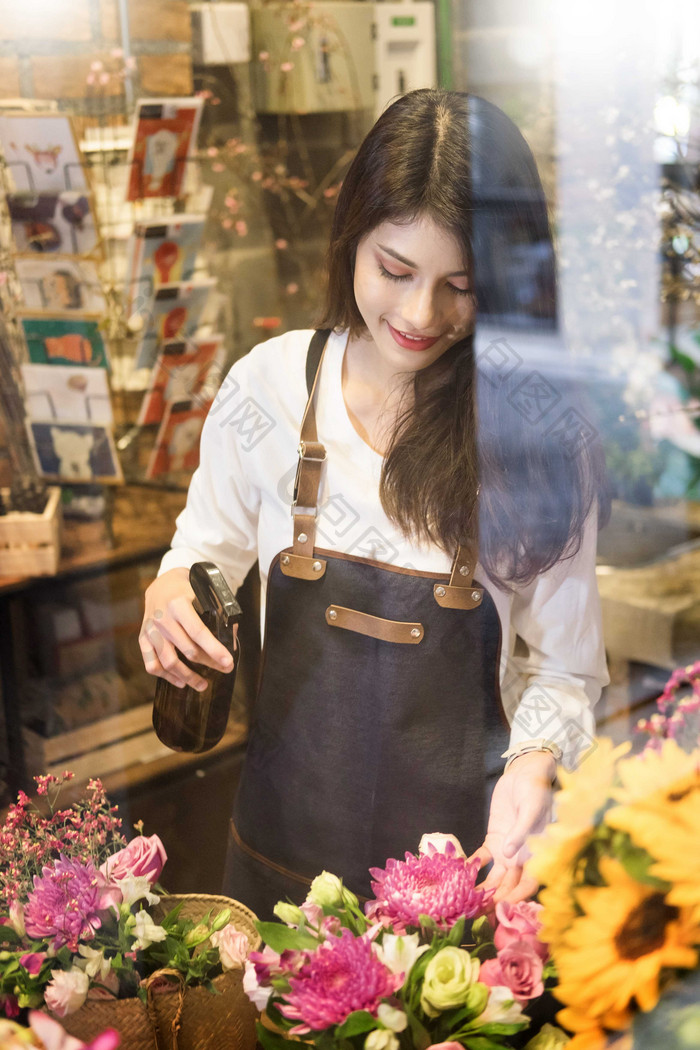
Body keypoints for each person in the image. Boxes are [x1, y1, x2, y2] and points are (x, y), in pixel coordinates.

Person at [139, 89, 609, 920]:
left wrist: (536, 764)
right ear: (351, 237)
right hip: (277, 883)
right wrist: (172, 593)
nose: (421, 315)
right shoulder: (271, 388)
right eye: (394, 271)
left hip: (462, 897)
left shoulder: (537, 433)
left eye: (460, 285)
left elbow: (565, 669)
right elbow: (202, 556)